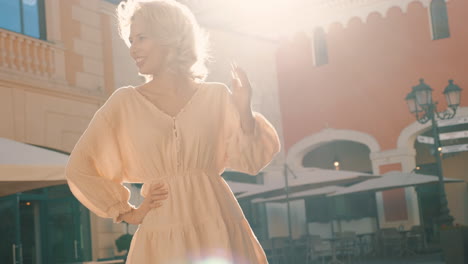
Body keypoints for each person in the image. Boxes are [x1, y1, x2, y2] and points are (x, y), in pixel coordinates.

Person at [65, 0, 280, 263]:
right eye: (131, 40)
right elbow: (80, 167)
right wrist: (127, 211)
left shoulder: (216, 96)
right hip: (161, 235)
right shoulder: (124, 103)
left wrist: (244, 109)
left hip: (218, 224)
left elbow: (252, 161)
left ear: (171, 37)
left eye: (141, 38)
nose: (133, 50)